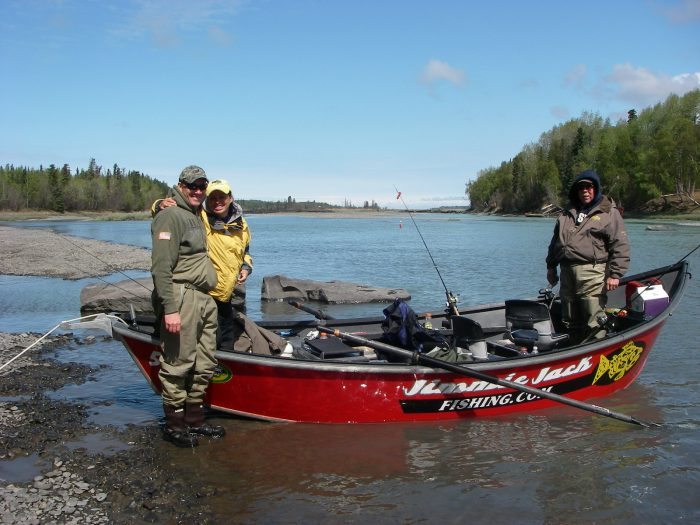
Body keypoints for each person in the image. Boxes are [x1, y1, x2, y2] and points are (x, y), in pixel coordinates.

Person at [151, 165, 225, 448]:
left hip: (205, 298)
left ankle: (195, 421)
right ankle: (174, 425)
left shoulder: (196, 215)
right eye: (192, 186)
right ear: (180, 186)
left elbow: (231, 217)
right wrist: (170, 308)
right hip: (183, 299)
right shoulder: (170, 216)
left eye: (201, 186)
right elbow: (160, 268)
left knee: (204, 362)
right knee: (178, 363)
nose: (197, 191)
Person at [546, 169, 630, 344]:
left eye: (589, 187)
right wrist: (551, 266)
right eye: (581, 187)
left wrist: (615, 274)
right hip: (567, 271)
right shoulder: (567, 212)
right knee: (569, 315)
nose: (585, 190)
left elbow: (620, 244)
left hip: (592, 271)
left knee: (592, 314)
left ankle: (596, 347)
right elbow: (556, 242)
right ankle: (574, 348)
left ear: (596, 188)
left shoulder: (608, 212)